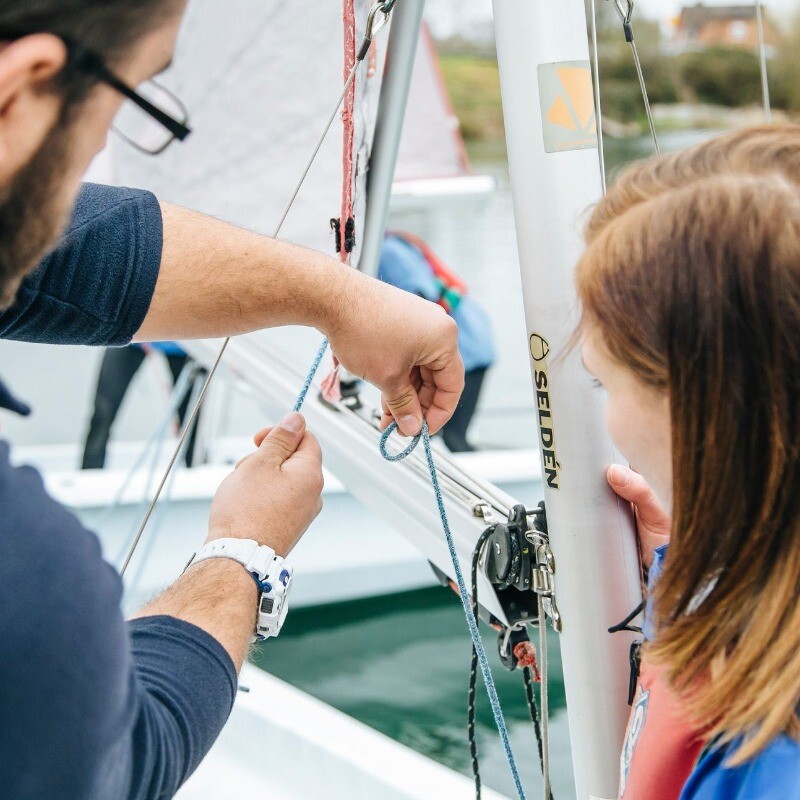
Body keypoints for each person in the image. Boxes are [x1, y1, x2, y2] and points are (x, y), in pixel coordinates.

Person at [0, 4, 463, 799]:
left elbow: (66, 251)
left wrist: (337, 296)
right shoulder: (28, 587)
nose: (91, 170)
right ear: (21, 91)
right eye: (136, 100)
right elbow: (117, 761)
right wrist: (243, 553)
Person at [575, 125, 800, 799]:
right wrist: (695, 569)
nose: (607, 419)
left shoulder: (772, 766)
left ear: (703, 412)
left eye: (604, 385)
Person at [379, 232, 495, 452]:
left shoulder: (387, 250)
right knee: (441, 434)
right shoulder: (396, 244)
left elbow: (421, 296)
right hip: (473, 341)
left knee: (449, 436)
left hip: (462, 349)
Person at [82, 342, 204, 469]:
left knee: (191, 420)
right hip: (131, 335)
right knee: (103, 413)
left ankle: (196, 473)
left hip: (182, 343)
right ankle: (88, 475)